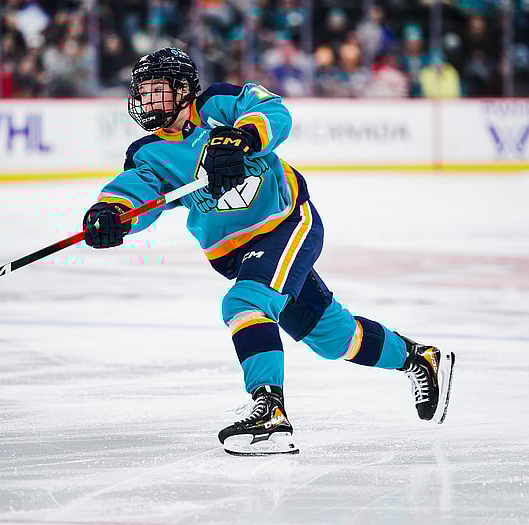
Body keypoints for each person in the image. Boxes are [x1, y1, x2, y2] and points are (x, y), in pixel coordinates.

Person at [82, 47, 456, 456]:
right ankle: (420, 359)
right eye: (143, 92)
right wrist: (111, 213)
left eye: (158, 90)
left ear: (186, 89)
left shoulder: (219, 105)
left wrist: (244, 136)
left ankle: (269, 412)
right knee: (334, 338)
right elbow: (136, 192)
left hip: (286, 223)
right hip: (238, 255)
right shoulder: (147, 153)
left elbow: (273, 112)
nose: (148, 101)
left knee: (244, 303)